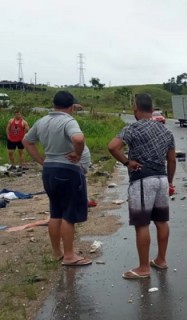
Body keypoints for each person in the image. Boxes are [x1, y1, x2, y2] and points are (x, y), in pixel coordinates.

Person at [108, 93, 176, 280]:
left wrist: (127, 162)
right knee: (161, 221)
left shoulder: (132, 128)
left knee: (142, 224)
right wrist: (169, 182)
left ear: (135, 109)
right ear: (152, 110)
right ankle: (161, 260)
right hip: (161, 179)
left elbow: (113, 147)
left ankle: (144, 268)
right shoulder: (166, 131)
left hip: (142, 180)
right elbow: (171, 160)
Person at [22, 91, 91, 266]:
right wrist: (77, 153)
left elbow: (26, 141)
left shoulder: (42, 121)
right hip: (67, 171)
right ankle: (69, 256)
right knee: (69, 214)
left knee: (55, 212)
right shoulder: (68, 121)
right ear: (72, 106)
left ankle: (57, 252)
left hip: (50, 170)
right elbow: (79, 138)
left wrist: (41, 161)